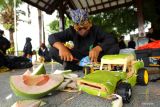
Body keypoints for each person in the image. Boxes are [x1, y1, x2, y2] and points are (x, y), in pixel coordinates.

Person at [48, 9, 120, 71]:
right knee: (52, 50)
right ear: (75, 26)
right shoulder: (71, 31)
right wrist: (61, 47)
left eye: (85, 27)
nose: (83, 31)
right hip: (78, 58)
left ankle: (95, 66)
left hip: (94, 57)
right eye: (79, 29)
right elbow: (52, 37)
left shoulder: (96, 29)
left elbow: (111, 38)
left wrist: (98, 48)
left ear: (89, 24)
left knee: (115, 47)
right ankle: (77, 66)